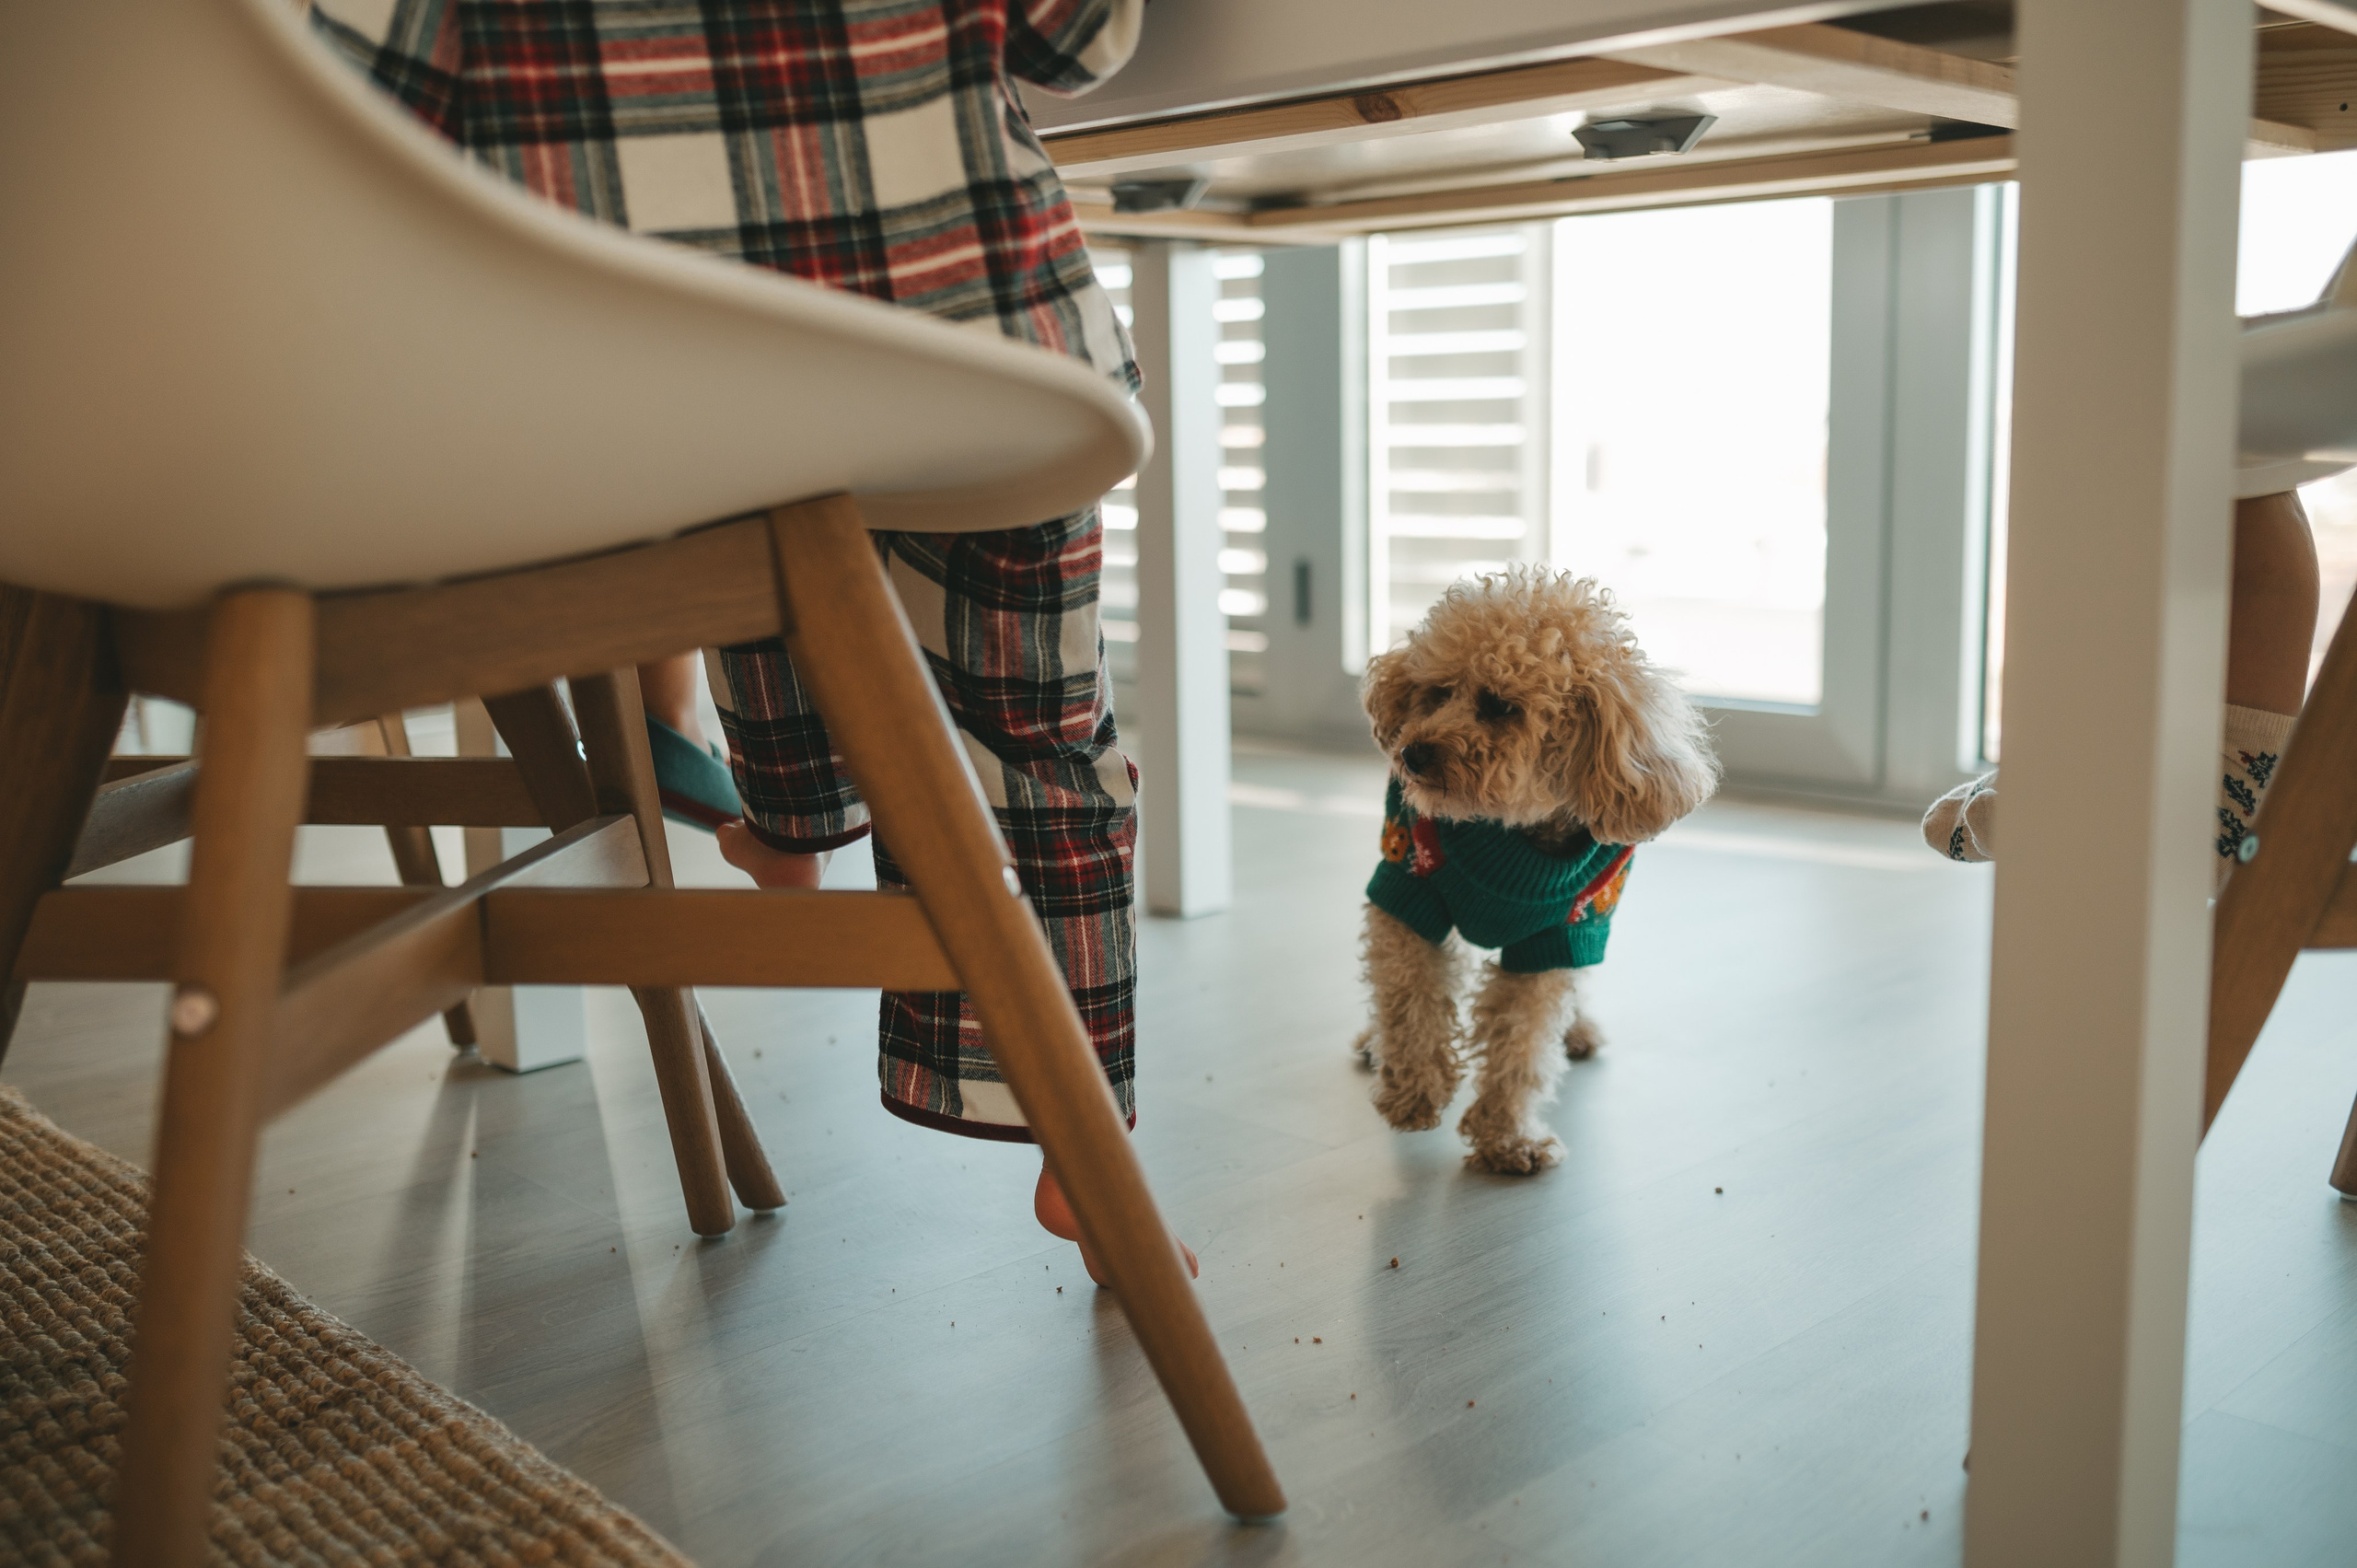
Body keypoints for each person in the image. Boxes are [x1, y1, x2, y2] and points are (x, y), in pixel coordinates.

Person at [310, 0, 1180, 1282]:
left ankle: (791, 823)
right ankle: (1086, 1153)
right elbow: (1081, 44)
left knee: (753, 549)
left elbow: (354, 95)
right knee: (1043, 734)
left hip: (651, 375)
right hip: (989, 345)